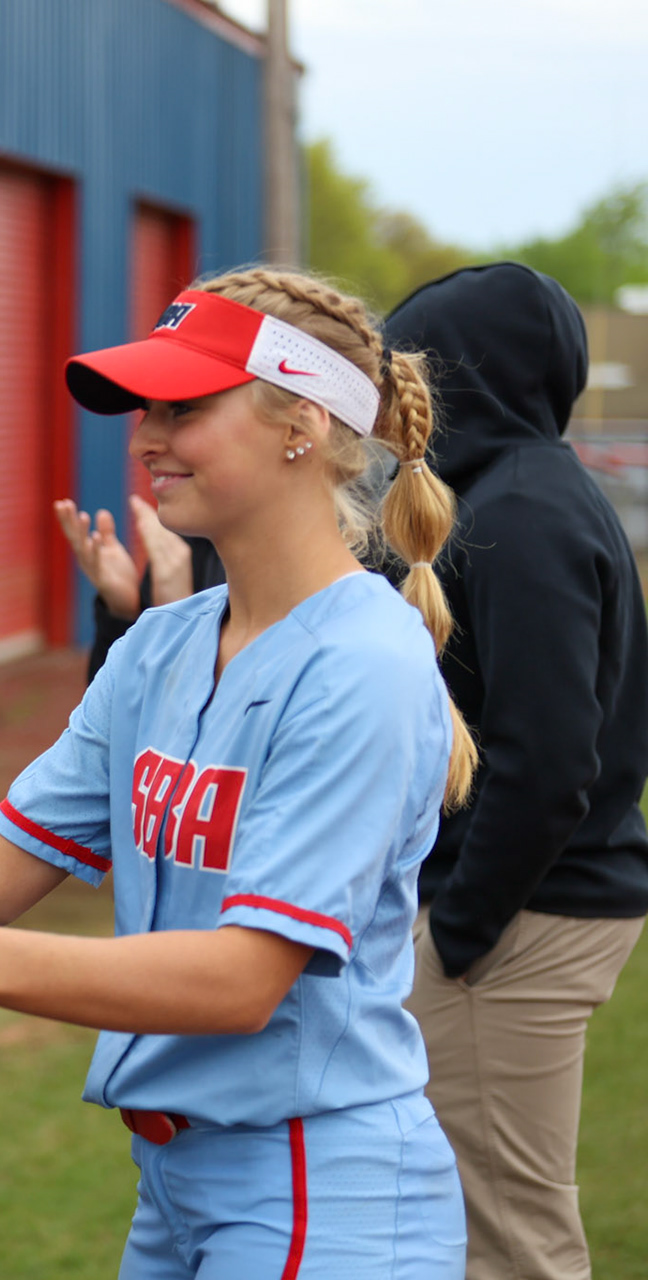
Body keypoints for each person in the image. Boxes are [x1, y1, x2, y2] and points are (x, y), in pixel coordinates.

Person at [0, 269, 477, 1276]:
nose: (146, 436)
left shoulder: (363, 663)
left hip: (316, 1187)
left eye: (183, 406)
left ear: (301, 420)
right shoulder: (163, 644)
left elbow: (246, 976)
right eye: (142, 409)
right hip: (177, 1180)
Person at [387, 262, 648, 1280]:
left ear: (471, 374)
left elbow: (549, 761)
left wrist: (457, 925)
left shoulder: (527, 510)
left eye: (416, 369)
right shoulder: (496, 496)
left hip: (518, 920)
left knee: (508, 1242)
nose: (394, 396)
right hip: (517, 910)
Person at [55, 494, 223, 679]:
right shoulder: (186, 542)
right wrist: (123, 616)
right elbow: (115, 701)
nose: (145, 462)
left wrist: (178, 617)